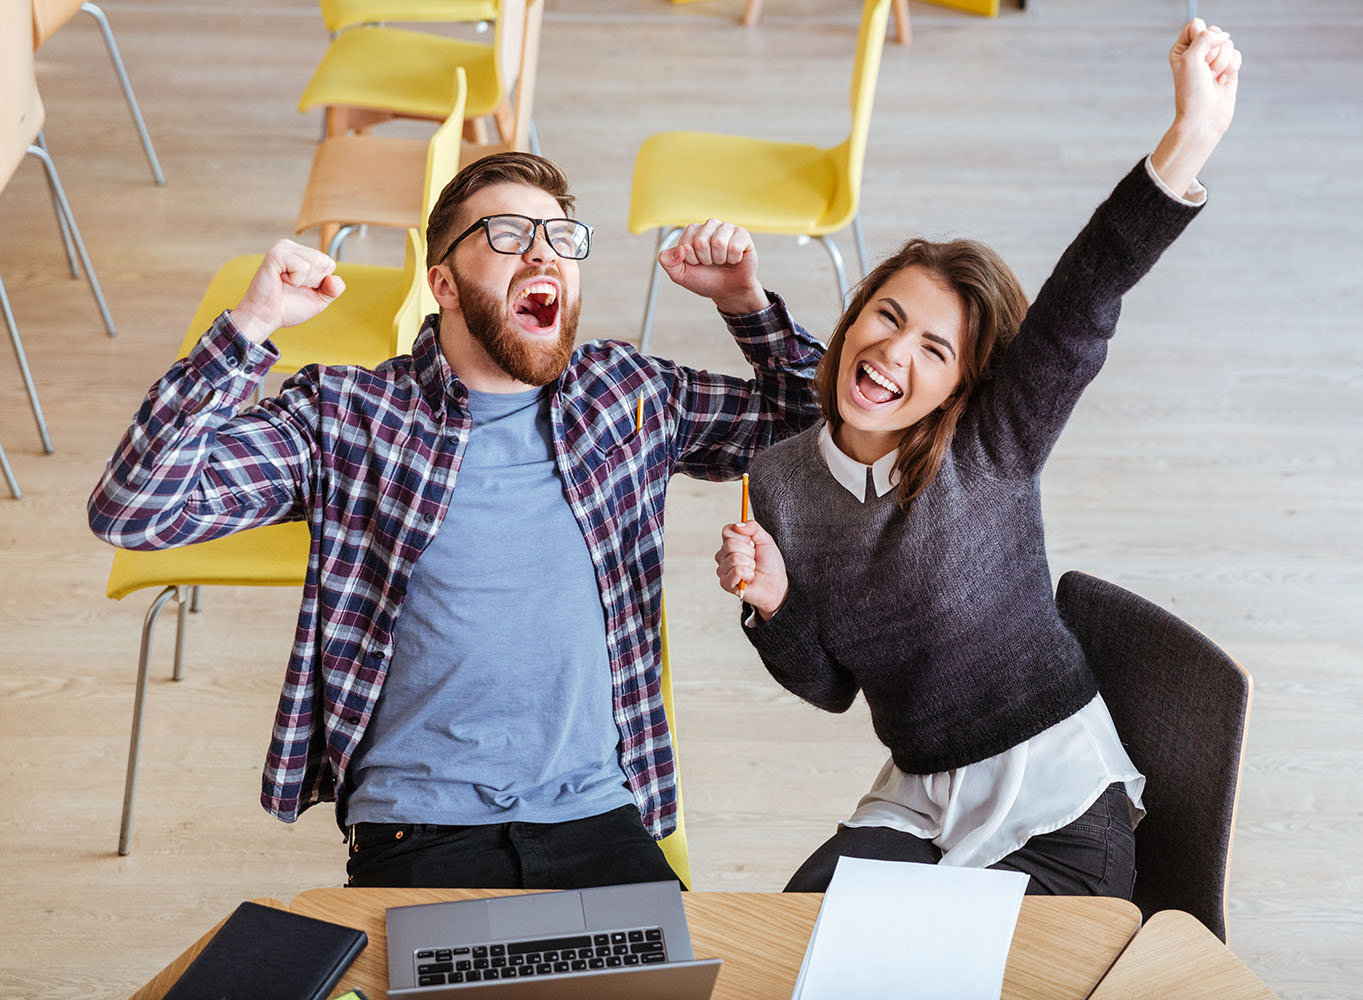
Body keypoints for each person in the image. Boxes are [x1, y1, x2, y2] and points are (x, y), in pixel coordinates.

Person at [88, 152, 825, 889]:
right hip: (419, 827)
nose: (543, 252)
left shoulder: (624, 394)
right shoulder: (349, 414)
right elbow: (135, 508)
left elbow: (821, 424)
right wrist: (249, 328)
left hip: (598, 818)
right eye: (506, 234)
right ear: (442, 283)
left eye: (561, 238)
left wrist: (745, 305)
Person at [714, 20, 1242, 895]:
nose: (894, 354)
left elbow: (1086, 295)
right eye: (887, 317)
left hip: (1059, 811)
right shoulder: (781, 483)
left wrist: (1189, 139)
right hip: (918, 802)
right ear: (852, 321)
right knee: (801, 953)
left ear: (961, 385)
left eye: (935, 349)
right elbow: (830, 686)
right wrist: (773, 602)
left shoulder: (992, 444)